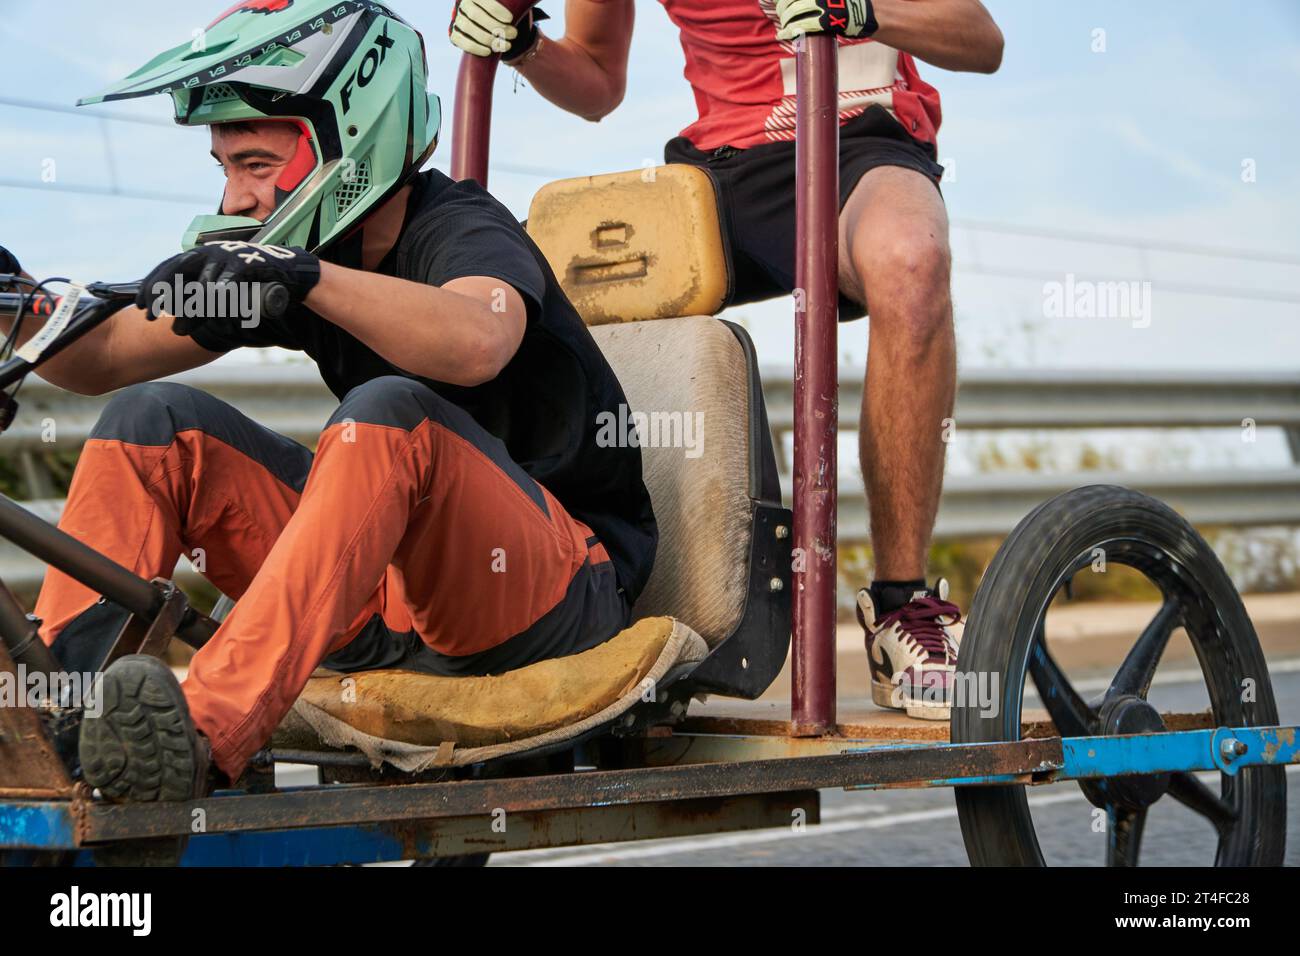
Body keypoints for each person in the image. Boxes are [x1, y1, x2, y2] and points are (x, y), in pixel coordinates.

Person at [2, 0, 656, 801]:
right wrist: (12, 297)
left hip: (556, 590)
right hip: (389, 596)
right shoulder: (299, 255)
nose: (237, 199)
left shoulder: (457, 225)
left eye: (252, 164)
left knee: (388, 411)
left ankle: (194, 742)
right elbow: (102, 358)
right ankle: (66, 720)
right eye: (224, 168)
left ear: (351, 137)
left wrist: (300, 278)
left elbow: (478, 339)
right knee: (152, 425)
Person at [451, 0, 1002, 720]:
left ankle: (903, 607)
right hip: (726, 167)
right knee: (515, 287)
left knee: (912, 260)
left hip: (858, 144)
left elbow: (980, 39)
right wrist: (524, 44)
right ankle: (568, 596)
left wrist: (858, 10)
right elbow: (595, 79)